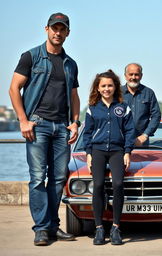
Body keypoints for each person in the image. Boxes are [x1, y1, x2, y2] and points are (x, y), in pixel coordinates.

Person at [9, 12, 80, 246]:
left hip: (61, 127)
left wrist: (75, 122)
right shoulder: (31, 57)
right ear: (46, 29)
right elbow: (14, 89)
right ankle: (41, 228)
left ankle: (52, 226)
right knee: (38, 178)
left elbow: (73, 95)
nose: (57, 32)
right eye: (54, 28)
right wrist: (23, 120)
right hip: (37, 125)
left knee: (59, 178)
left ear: (67, 33)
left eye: (62, 29)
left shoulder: (70, 64)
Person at [83, 70, 135, 245]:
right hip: (97, 151)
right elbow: (87, 133)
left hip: (117, 151)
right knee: (98, 185)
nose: (107, 89)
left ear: (115, 87)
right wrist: (88, 154)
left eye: (110, 85)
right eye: (103, 86)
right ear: (98, 88)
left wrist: (127, 151)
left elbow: (129, 131)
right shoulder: (92, 108)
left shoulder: (123, 107)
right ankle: (99, 229)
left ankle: (115, 227)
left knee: (118, 184)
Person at [122, 63, 161, 146]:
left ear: (141, 76)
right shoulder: (117, 93)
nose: (133, 77)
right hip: (120, 142)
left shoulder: (149, 93)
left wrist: (145, 135)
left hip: (141, 142)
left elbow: (156, 115)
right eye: (131, 74)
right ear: (125, 76)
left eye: (136, 74)